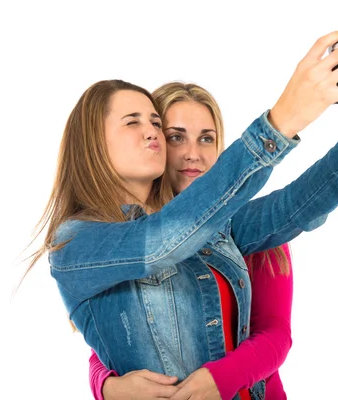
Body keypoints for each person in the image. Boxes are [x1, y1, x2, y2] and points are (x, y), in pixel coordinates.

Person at [26, 30, 338, 400]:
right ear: (93, 141)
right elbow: (155, 249)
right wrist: (282, 120)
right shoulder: (75, 241)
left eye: (155, 123)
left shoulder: (218, 229)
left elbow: (294, 206)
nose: (153, 134)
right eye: (134, 122)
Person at [87, 82, 295, 400]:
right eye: (176, 137)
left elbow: (275, 334)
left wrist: (219, 380)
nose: (193, 154)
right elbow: (108, 338)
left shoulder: (255, 226)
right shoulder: (127, 237)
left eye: (206, 139)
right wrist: (107, 387)